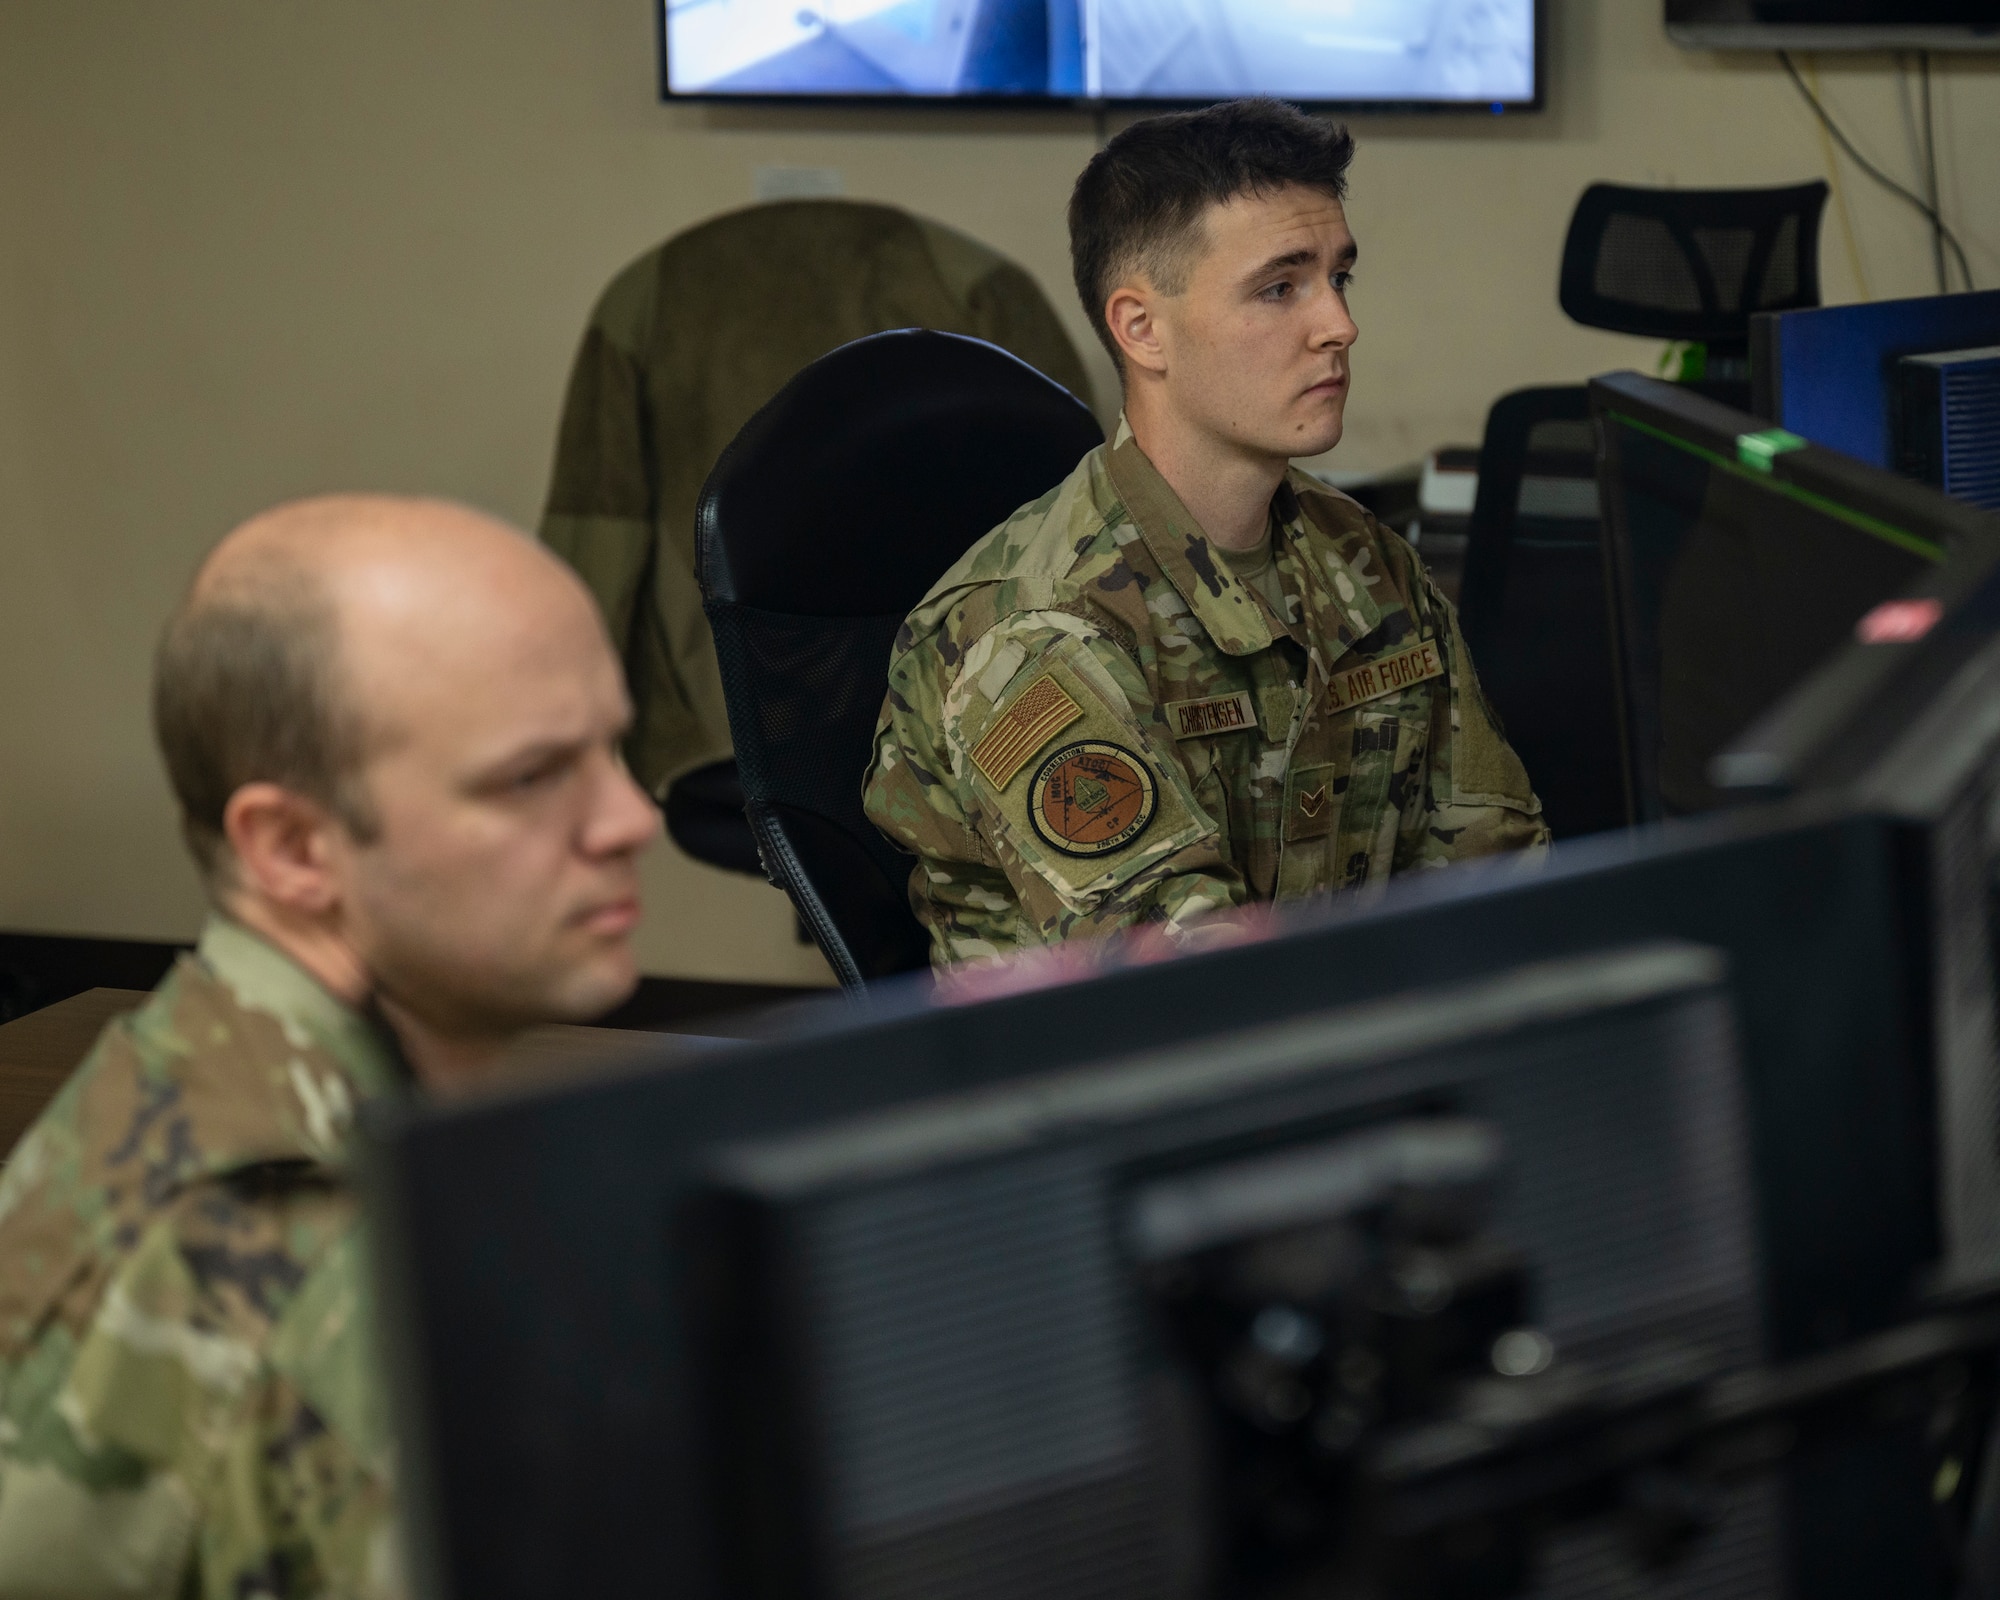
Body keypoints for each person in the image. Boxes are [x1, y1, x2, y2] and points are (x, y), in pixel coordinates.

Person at [0, 496, 660, 1598]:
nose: (629, 816)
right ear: (296, 847)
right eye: (532, 775)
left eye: (614, 748)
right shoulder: (325, 1267)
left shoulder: (179, 1066)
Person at [864, 99, 1548, 967]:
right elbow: (1192, 982)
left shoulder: (1365, 560)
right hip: (1111, 1086)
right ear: (1141, 329)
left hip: (1350, 1052)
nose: (1339, 324)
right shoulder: (1036, 631)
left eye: (1339, 277)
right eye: (1279, 288)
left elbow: (1498, 876)